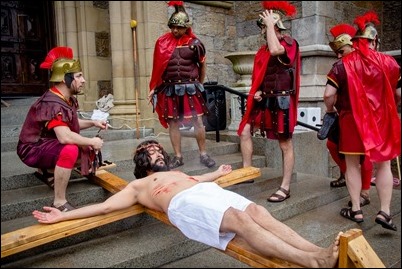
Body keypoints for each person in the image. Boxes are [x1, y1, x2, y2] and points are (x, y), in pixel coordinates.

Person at [33, 139, 341, 268]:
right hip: (182, 205)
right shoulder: (139, 185)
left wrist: (216, 174)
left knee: (258, 211)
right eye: (149, 150)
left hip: (204, 193)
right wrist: (61, 217)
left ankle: (317, 251)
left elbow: (199, 180)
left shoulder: (177, 171)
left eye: (157, 147)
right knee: (241, 221)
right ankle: (313, 263)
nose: (155, 150)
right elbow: (103, 208)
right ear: (142, 161)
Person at [324, 11, 401, 230]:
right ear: (375, 41)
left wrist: (331, 111)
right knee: (383, 164)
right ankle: (385, 212)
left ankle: (356, 210)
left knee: (352, 166)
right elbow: (399, 95)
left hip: (351, 121)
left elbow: (329, 95)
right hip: (382, 121)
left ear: (356, 41)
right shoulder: (391, 64)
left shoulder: (341, 65)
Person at [17, 46, 108, 212]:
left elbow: (70, 124)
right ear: (64, 78)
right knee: (71, 149)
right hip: (32, 148)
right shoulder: (52, 102)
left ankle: (47, 170)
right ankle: (59, 202)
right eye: (79, 76)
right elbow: (65, 136)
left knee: (86, 150)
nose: (83, 80)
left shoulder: (66, 99)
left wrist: (94, 122)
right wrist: (92, 141)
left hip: (47, 144)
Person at [238, 1, 300, 202]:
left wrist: (271, 24)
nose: (264, 31)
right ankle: (246, 172)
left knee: (285, 144)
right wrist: (259, 92)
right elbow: (262, 75)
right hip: (266, 100)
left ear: (276, 27)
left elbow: (275, 50)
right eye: (264, 28)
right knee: (245, 130)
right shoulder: (261, 51)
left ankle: (286, 186)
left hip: (282, 102)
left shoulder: (290, 44)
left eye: (266, 27)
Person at [148, 1, 215, 169]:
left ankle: (203, 154)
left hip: (190, 88)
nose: (175, 30)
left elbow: (202, 66)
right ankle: (178, 156)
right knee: (173, 122)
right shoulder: (162, 43)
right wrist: (154, 88)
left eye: (178, 27)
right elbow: (158, 68)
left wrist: (199, 84)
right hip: (170, 89)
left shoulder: (195, 44)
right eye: (172, 27)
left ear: (186, 27)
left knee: (197, 121)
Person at [325, 23, 373, 208]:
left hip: (359, 116)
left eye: (341, 50)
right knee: (333, 144)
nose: (338, 55)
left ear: (352, 46)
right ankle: (347, 176)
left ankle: (365, 192)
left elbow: (328, 94)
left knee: (363, 155)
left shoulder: (366, 62)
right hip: (347, 114)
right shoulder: (342, 64)